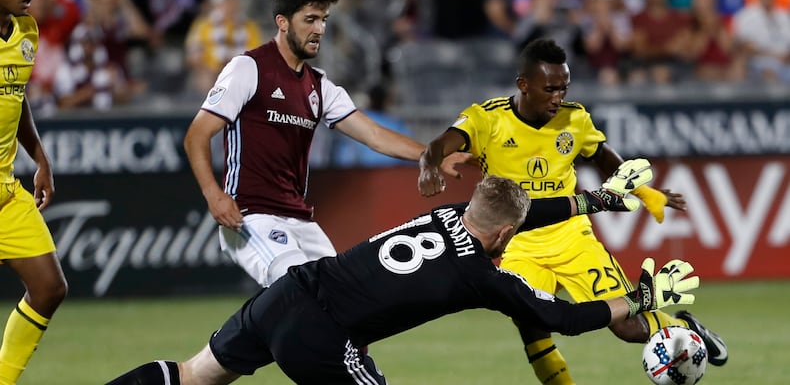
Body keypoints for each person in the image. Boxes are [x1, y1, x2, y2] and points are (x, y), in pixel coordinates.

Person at [104, 171, 700, 385]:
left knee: (192, 376)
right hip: (323, 336)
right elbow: (560, 318)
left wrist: (599, 200)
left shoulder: (445, 215)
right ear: (501, 238)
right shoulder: (480, 274)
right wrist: (636, 301)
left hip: (286, 295)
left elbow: (522, 214)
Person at [418, 39, 728, 384]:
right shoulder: (486, 118)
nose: (558, 97)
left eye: (563, 88)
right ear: (524, 85)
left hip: (571, 237)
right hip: (517, 246)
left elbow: (603, 155)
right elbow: (436, 146)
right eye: (550, 89)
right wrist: (429, 165)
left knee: (625, 325)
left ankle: (686, 328)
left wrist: (641, 190)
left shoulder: (574, 119)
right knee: (531, 324)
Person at [182, 0, 469, 289]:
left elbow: (373, 134)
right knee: (301, 289)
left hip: (300, 220)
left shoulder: (320, 85)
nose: (319, 29)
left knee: (348, 306)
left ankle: (227, 342)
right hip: (250, 215)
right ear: (283, 22)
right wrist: (214, 195)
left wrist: (431, 157)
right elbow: (197, 134)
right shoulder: (248, 68)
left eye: (324, 19)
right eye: (310, 20)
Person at [0, 0, 69, 383]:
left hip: (6, 191)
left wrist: (39, 157)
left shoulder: (26, 31)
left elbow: (17, 95)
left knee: (48, 287)